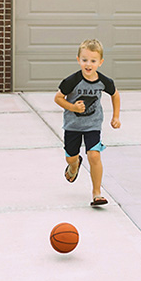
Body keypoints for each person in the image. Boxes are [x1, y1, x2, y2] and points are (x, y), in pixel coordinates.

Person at [54, 39, 121, 207]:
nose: (88, 64)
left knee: (94, 155)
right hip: (73, 126)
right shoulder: (72, 81)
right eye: (84, 60)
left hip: (93, 125)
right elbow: (58, 98)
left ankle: (97, 193)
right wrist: (72, 107)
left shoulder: (104, 81)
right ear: (78, 60)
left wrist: (116, 117)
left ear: (100, 62)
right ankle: (75, 165)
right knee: (71, 158)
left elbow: (115, 95)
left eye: (93, 60)